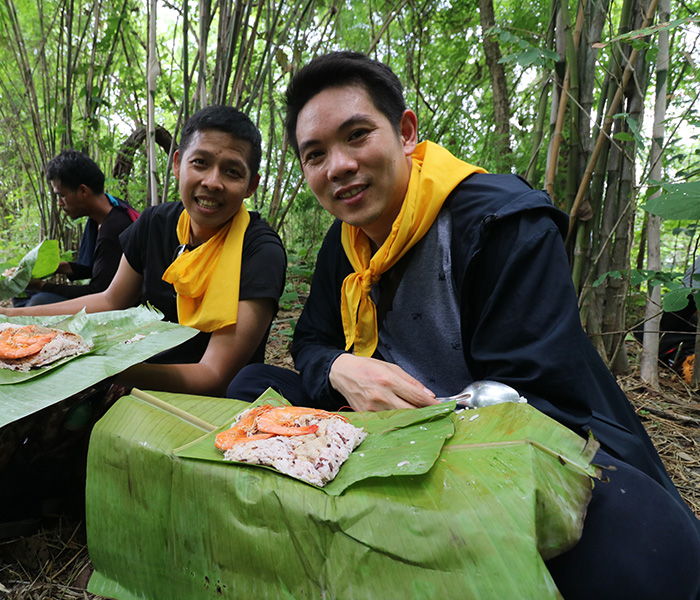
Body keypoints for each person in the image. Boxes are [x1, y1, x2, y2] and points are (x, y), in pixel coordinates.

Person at [226, 51, 700, 598]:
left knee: (650, 554)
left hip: (494, 441)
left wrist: (404, 437)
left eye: (357, 135)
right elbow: (311, 339)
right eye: (316, 154)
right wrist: (340, 367)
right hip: (379, 428)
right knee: (250, 387)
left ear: (405, 132)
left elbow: (542, 406)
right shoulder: (345, 240)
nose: (338, 166)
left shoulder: (503, 222)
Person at [0, 105, 287, 396]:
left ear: (251, 185)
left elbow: (212, 375)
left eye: (231, 171)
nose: (213, 181)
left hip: (193, 398)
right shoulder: (155, 224)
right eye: (201, 163)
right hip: (130, 368)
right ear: (178, 164)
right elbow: (110, 300)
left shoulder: (260, 252)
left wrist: (102, 369)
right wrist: (7, 316)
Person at [22, 150, 140, 306]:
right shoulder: (102, 216)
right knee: (24, 295)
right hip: (103, 293)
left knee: (39, 300)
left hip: (121, 305)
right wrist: (57, 268)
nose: (59, 203)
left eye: (62, 195)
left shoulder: (115, 228)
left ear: (83, 191)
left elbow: (100, 293)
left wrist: (41, 285)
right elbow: (96, 269)